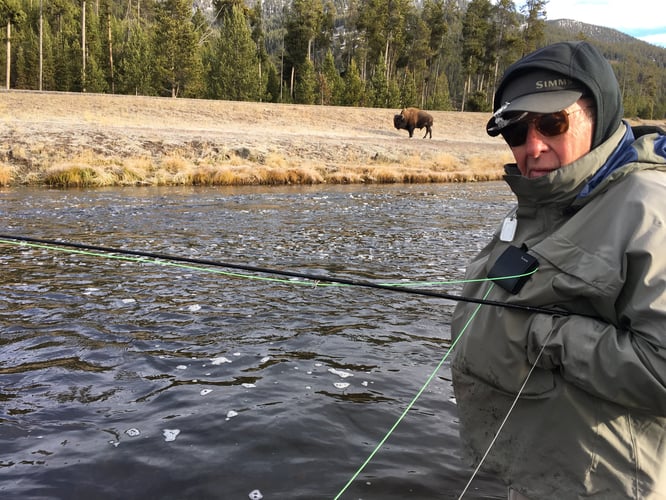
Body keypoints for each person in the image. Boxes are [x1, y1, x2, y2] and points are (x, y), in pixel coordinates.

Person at [450, 41, 666, 499]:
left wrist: (545, 336)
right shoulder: (545, 202)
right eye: (515, 130)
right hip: (540, 475)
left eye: (552, 123)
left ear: (599, 114)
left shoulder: (650, 209)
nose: (534, 145)